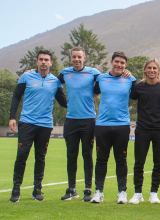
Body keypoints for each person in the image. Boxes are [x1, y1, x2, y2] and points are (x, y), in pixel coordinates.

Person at [9, 49, 67, 202]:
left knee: (40, 157)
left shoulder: (55, 81)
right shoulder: (26, 76)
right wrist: (12, 117)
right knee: (22, 155)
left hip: (45, 125)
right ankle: (16, 189)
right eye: (41, 59)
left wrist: (79, 97)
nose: (43, 62)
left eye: (46, 60)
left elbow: (63, 102)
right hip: (27, 122)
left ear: (51, 62)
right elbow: (16, 96)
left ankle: (37, 190)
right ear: (37, 61)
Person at [90, 51, 136, 204]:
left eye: (122, 63)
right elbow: (93, 94)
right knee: (101, 159)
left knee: (121, 159)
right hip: (102, 125)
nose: (119, 65)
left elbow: (140, 93)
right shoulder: (101, 78)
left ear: (125, 65)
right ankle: (98, 192)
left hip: (122, 125)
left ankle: (122, 192)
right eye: (117, 62)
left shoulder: (130, 79)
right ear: (111, 62)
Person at [57, 47, 100, 202]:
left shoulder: (93, 72)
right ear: (71, 58)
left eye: (79, 57)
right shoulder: (65, 73)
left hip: (88, 120)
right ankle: (71, 189)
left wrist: (126, 74)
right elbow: (52, 84)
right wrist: (64, 103)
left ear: (84, 58)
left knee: (87, 155)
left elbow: (107, 81)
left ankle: (88, 189)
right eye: (74, 57)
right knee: (71, 155)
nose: (76, 59)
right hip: (71, 120)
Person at [128, 59, 160, 204]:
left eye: (154, 68)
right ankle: (137, 193)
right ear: (145, 70)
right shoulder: (138, 87)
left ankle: (154, 193)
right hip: (142, 130)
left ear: (158, 71)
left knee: (158, 163)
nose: (152, 70)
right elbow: (128, 103)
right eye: (149, 68)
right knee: (139, 163)